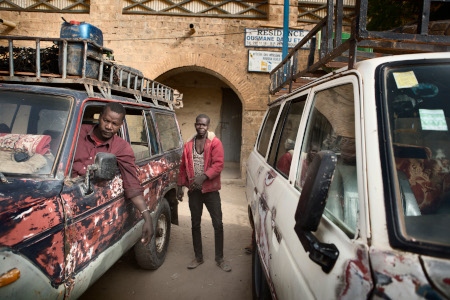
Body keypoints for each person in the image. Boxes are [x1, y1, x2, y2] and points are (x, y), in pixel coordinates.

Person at [72, 102, 153, 245]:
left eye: (114, 124)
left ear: (121, 125)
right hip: (65, 191)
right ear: (99, 117)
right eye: (106, 121)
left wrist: (147, 217)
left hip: (93, 202)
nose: (109, 127)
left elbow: (131, 184)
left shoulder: (121, 147)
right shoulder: (76, 133)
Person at [177, 114, 231, 272]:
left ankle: (220, 258)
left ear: (208, 126)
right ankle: (198, 257)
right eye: (198, 124)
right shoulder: (188, 144)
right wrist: (180, 186)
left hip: (210, 190)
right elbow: (182, 167)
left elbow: (218, 164)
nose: (201, 127)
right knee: (195, 224)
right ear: (195, 125)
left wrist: (203, 177)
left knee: (218, 224)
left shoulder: (215, 142)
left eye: (204, 125)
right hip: (194, 190)